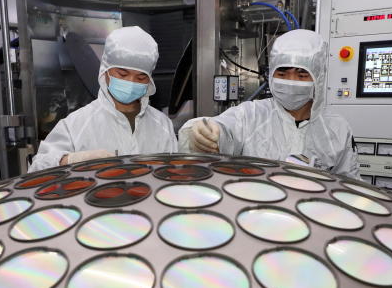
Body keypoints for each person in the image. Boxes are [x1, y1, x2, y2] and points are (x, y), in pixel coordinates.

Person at [179, 29, 360, 179]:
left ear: (318, 78)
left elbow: (350, 185)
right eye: (282, 73)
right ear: (271, 74)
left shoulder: (336, 128)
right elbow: (224, 129)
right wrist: (202, 131)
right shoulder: (251, 114)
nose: (291, 81)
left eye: (301, 74)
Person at [29, 26, 177, 171]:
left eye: (140, 77)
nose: (131, 82)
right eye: (122, 74)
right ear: (106, 70)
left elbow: (174, 174)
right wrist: (70, 160)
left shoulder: (162, 125)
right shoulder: (76, 125)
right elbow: (36, 169)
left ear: (149, 80)